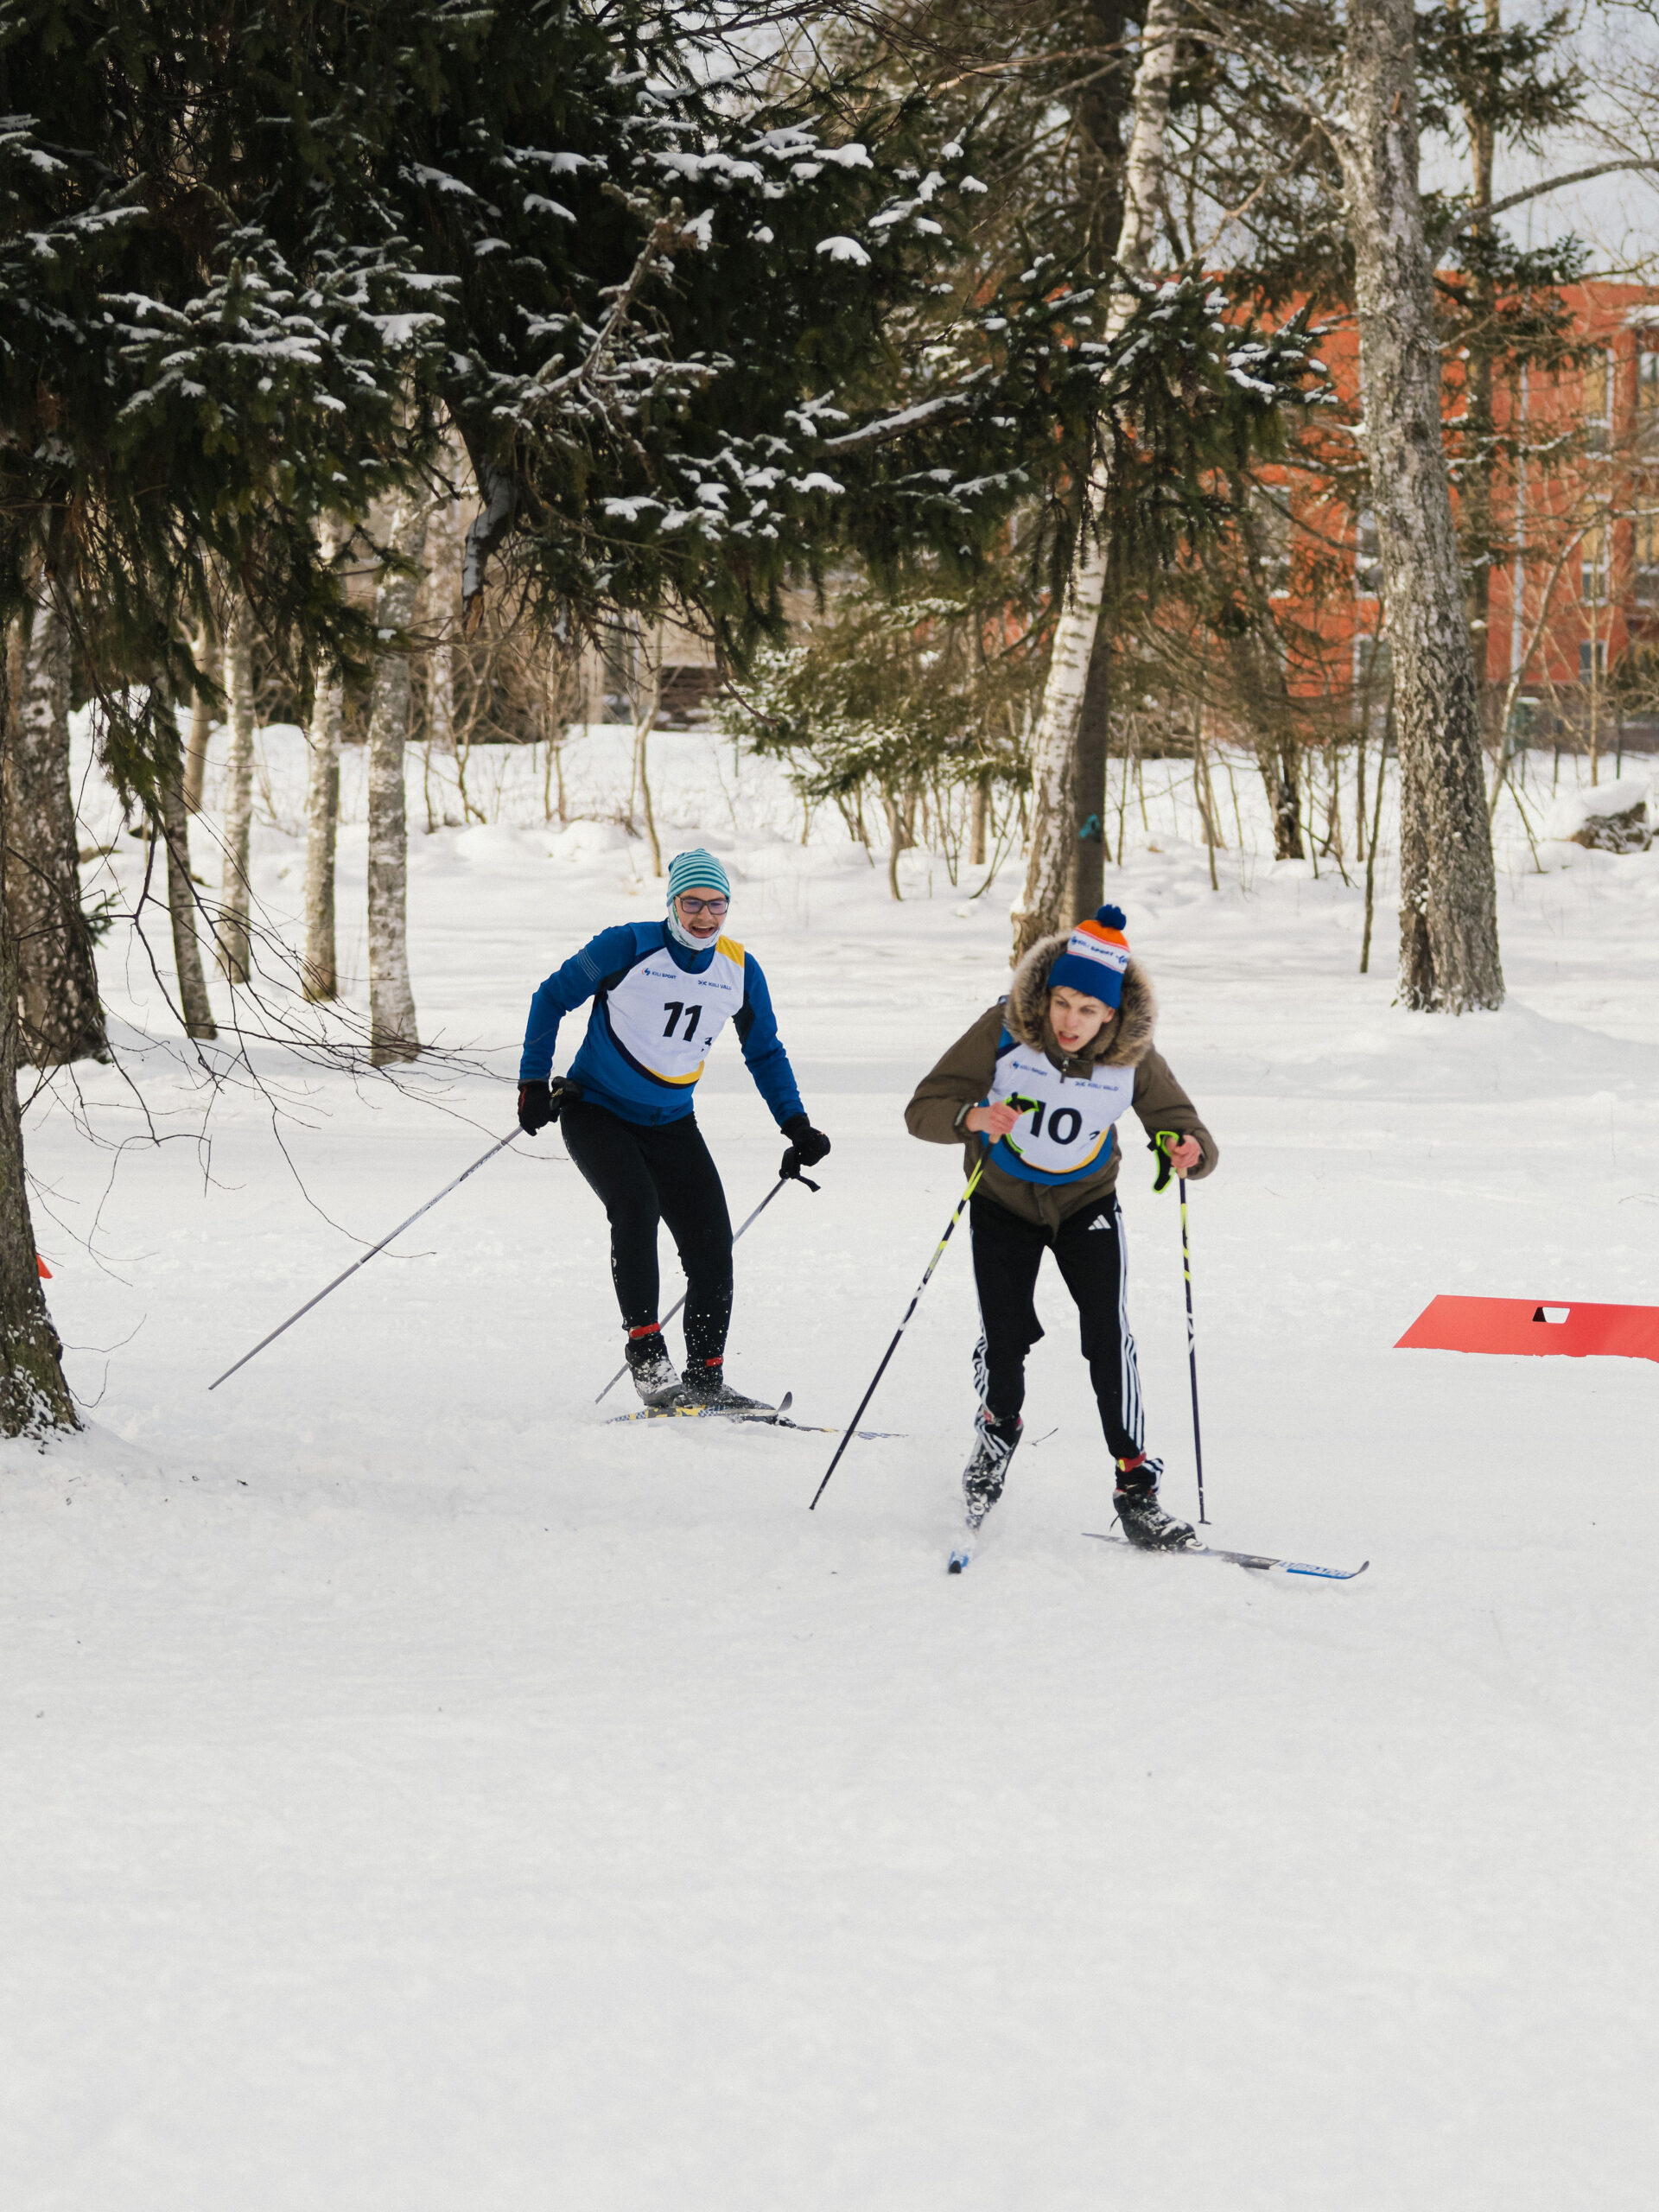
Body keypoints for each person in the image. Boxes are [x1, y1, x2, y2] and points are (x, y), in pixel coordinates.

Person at [905, 904, 1216, 1547]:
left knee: (1108, 1335)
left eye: (1088, 1010)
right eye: (1062, 1004)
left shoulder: (1134, 1057)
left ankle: (1136, 1486)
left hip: (1086, 1206)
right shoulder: (1003, 1030)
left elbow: (1182, 1127)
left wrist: (1188, 1150)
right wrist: (971, 1118)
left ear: (1111, 1015)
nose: (1070, 1022)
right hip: (1002, 1203)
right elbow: (924, 1109)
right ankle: (997, 1434)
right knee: (1005, 1339)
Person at [518, 849, 830, 1408]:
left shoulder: (740, 969)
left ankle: (706, 1379)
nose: (705, 917)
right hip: (597, 1110)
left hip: (672, 1123)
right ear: (672, 903)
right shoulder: (627, 945)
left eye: (717, 905)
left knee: (712, 1245)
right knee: (635, 1206)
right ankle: (646, 1355)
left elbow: (764, 1051)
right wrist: (532, 1083)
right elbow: (551, 997)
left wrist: (795, 1123)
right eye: (693, 903)